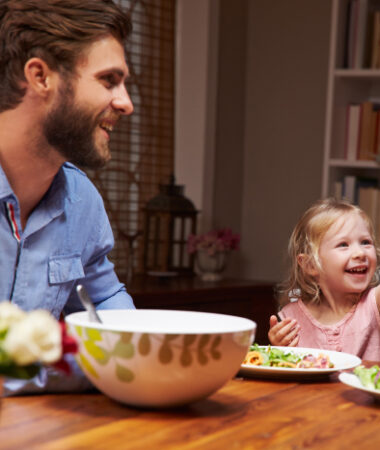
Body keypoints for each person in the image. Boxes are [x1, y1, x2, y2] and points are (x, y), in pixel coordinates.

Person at [0, 0, 136, 394]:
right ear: (40, 76)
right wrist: (94, 368)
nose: (126, 103)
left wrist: (142, 352)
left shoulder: (83, 202)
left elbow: (104, 297)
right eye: (108, 80)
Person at [268, 198, 380, 360]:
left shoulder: (374, 304)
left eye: (365, 242)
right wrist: (278, 350)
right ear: (310, 264)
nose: (360, 253)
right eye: (343, 244)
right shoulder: (291, 318)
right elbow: (284, 368)